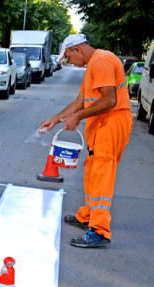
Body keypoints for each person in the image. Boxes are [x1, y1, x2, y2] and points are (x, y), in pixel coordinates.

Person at [38, 34, 132, 248]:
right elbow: (81, 101)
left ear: (77, 50)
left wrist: (77, 118)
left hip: (111, 122)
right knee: (92, 171)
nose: (69, 62)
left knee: (101, 174)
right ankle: (88, 216)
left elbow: (110, 100)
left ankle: (99, 230)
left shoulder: (102, 61)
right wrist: (55, 119)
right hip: (102, 124)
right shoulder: (93, 66)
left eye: (68, 57)